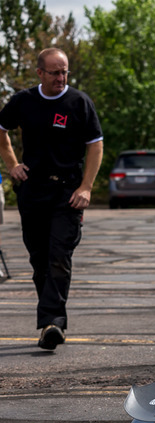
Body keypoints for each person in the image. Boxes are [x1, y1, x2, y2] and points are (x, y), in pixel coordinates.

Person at [0, 48, 103, 350]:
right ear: (40, 73)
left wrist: (86, 187)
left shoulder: (79, 102)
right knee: (39, 260)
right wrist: (11, 164)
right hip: (32, 191)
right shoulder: (24, 101)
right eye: (55, 72)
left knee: (60, 256)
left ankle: (51, 324)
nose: (61, 78)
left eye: (65, 72)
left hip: (67, 192)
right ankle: (50, 320)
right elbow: (1, 129)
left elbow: (95, 147)